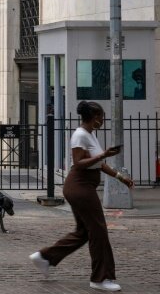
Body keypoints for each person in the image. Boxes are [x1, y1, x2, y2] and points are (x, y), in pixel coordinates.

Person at [29, 101, 134, 292]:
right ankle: (100, 279)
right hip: (80, 186)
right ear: (94, 118)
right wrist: (103, 154)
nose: (102, 120)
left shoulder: (89, 135)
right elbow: (79, 163)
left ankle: (45, 258)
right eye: (101, 116)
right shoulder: (79, 136)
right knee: (99, 231)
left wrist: (120, 177)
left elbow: (99, 164)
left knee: (84, 232)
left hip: (83, 186)